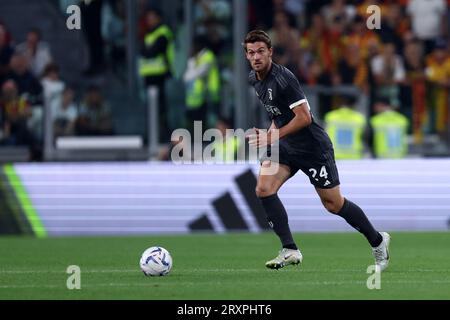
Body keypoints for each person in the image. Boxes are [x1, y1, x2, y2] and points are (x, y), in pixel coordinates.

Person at [244, 30, 390, 271]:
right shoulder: (254, 79)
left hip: (313, 147)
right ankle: (290, 249)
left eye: (261, 51)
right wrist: (271, 136)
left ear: (270, 52)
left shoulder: (284, 79)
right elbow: (276, 113)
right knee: (264, 188)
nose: (256, 57)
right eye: (251, 53)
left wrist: (273, 135)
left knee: (333, 204)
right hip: (285, 145)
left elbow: (304, 117)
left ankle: (377, 240)